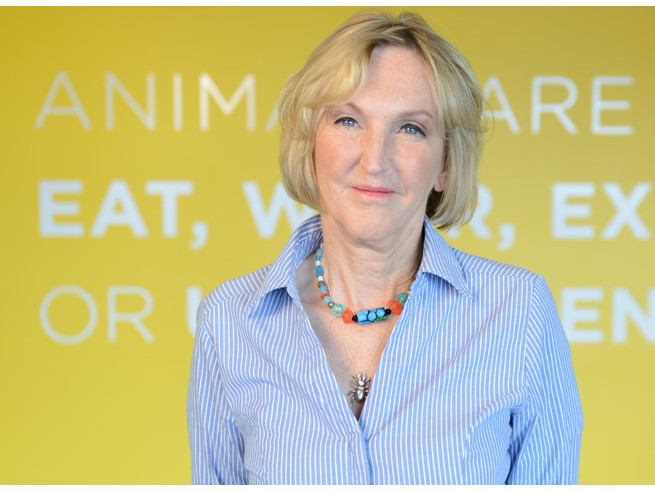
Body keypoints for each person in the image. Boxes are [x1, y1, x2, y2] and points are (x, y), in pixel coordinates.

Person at [187, 11, 583, 485]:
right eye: (348, 120)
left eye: (410, 128)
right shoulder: (228, 323)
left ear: (445, 163)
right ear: (310, 144)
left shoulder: (519, 312)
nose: (374, 160)